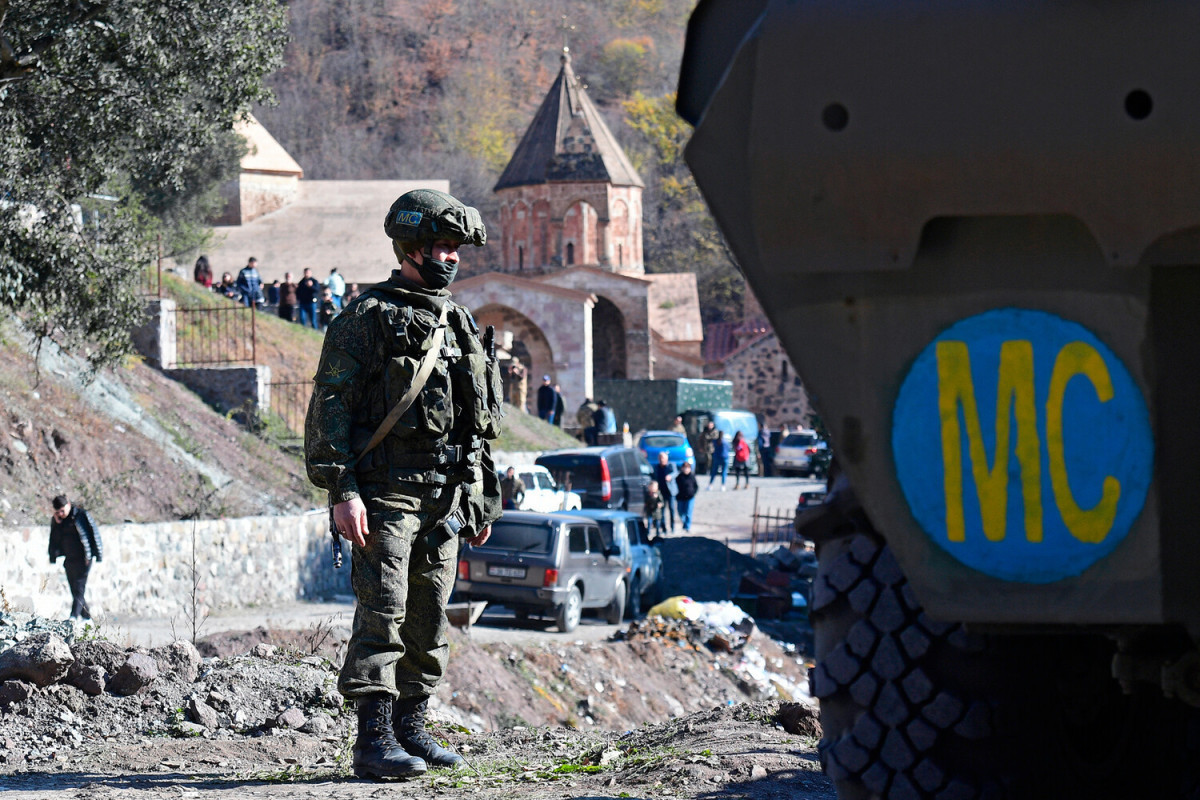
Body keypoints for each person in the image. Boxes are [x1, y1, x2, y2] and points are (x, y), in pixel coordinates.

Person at [305, 188, 501, 780]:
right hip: (384, 493)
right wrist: (341, 489)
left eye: (454, 249)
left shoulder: (458, 321)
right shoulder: (367, 318)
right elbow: (329, 405)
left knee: (428, 615)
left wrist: (481, 497)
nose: (449, 258)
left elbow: (477, 423)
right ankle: (372, 740)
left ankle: (413, 729)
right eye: (439, 247)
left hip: (444, 497)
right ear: (410, 249)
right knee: (383, 610)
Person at [48, 495, 102, 620]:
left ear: (68, 504)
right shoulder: (58, 521)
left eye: (62, 510)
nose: (61, 514)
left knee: (79, 588)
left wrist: (97, 554)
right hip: (69, 559)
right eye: (58, 512)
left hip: (84, 559)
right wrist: (57, 524)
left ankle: (73, 617)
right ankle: (87, 618)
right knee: (75, 590)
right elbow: (54, 539)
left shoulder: (81, 515)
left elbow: (94, 533)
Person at [652, 451, 677, 533]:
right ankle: (664, 528)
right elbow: (654, 477)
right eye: (660, 458)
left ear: (666, 459)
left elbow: (676, 472)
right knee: (662, 510)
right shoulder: (656, 467)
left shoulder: (670, 465)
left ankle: (673, 527)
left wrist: (670, 476)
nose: (661, 460)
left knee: (672, 509)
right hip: (661, 492)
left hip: (670, 492)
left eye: (663, 458)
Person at [675, 461, 698, 532]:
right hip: (681, 497)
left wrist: (693, 493)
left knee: (688, 512)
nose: (686, 470)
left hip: (690, 498)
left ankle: (687, 527)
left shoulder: (692, 476)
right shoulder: (679, 477)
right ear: (682, 468)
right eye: (684, 468)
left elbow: (696, 486)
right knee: (681, 512)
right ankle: (685, 523)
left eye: (687, 468)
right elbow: (675, 486)